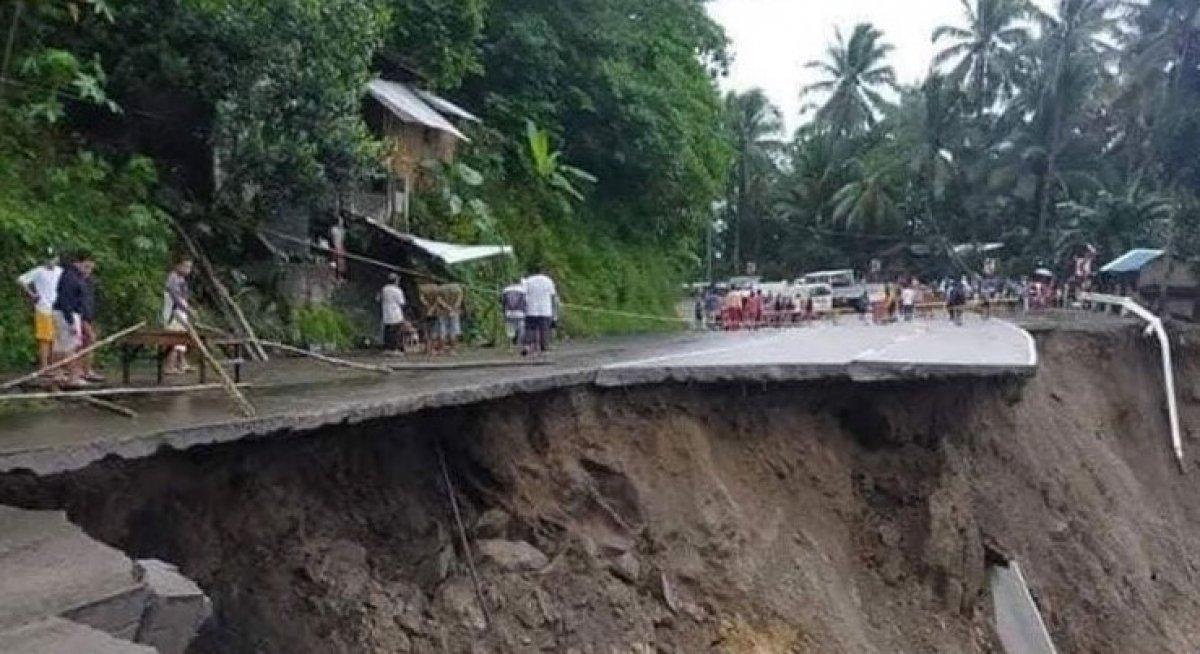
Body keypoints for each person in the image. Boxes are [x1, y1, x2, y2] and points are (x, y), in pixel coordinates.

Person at [51, 251, 96, 387]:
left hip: (66, 313)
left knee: (60, 346)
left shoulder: (76, 276)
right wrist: (70, 320)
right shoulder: (70, 277)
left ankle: (58, 373)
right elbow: (66, 300)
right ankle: (74, 377)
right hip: (67, 313)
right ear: (78, 263)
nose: (88, 270)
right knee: (72, 345)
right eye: (86, 266)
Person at [16, 249, 62, 372]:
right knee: (45, 339)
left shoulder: (60, 271)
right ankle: (44, 366)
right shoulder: (38, 271)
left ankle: (54, 365)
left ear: (57, 258)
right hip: (43, 308)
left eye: (53, 258)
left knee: (56, 338)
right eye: (48, 258)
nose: (50, 261)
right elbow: (21, 280)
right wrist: (31, 294)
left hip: (57, 308)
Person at [162, 258, 195, 374]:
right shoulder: (173, 279)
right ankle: (169, 365)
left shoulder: (181, 280)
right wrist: (187, 309)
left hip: (181, 313)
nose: (188, 270)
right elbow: (175, 297)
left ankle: (182, 363)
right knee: (176, 340)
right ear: (178, 265)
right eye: (185, 266)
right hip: (174, 314)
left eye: (189, 267)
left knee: (182, 339)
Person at [522, 267, 557, 356]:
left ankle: (528, 346)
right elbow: (552, 296)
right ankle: (544, 348)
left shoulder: (528, 281)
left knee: (530, 328)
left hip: (531, 308)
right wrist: (554, 311)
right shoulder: (548, 280)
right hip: (545, 309)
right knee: (545, 329)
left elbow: (523, 294)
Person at [379, 273, 407, 355]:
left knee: (387, 332)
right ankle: (396, 349)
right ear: (395, 281)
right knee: (397, 332)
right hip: (396, 314)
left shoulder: (384, 289)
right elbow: (402, 303)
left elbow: (379, 298)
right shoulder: (397, 290)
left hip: (386, 313)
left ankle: (387, 348)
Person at [440, 283, 465, 353]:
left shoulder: (441, 288)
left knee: (443, 330)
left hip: (443, 311)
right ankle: (453, 349)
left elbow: (439, 300)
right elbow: (459, 301)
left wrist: (447, 307)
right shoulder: (458, 289)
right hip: (454, 311)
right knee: (453, 331)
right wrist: (453, 308)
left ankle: (442, 349)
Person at [501, 281, 527, 346]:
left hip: (509, 313)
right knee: (521, 328)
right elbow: (525, 302)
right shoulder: (523, 290)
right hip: (520, 313)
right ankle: (519, 343)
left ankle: (510, 345)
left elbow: (503, 303)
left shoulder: (506, 290)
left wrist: (504, 313)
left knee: (510, 329)